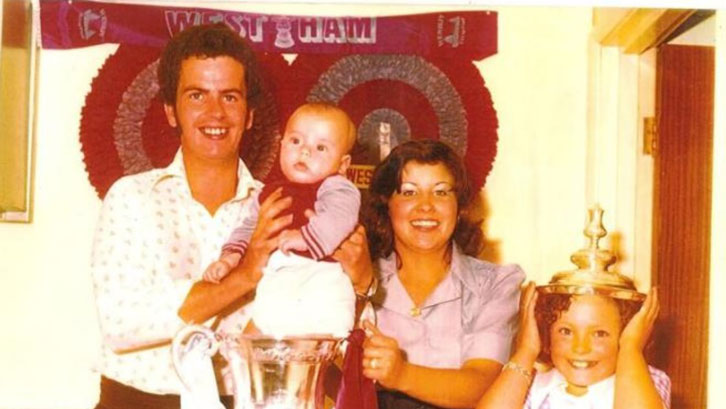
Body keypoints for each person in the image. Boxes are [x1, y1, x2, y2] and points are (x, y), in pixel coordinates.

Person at [91, 23, 287, 409]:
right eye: (197, 95)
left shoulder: (275, 210)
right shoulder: (132, 198)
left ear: (249, 114)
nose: (215, 112)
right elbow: (122, 325)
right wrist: (244, 277)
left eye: (230, 97)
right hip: (136, 401)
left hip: (242, 400)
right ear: (170, 111)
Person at [346, 139, 525, 408]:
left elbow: (483, 384)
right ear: (386, 204)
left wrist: (400, 374)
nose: (426, 206)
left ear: (459, 206)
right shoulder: (355, 278)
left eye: (441, 192)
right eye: (408, 192)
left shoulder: (495, 284)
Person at [202, 102, 360, 337]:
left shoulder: (337, 187)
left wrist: (305, 237)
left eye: (321, 148)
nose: (305, 152)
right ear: (281, 145)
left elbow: (340, 218)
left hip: (320, 278)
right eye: (296, 141)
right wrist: (230, 257)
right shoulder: (267, 192)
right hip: (278, 278)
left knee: (322, 339)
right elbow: (248, 228)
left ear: (343, 164)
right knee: (255, 340)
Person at [475, 283, 671, 409]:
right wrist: (526, 350)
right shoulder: (533, 385)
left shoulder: (647, 381)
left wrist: (631, 348)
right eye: (566, 332)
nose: (580, 348)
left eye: (599, 334)